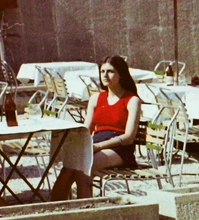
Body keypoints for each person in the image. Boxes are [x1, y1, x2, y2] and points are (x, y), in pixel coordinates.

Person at [53, 56, 141, 200]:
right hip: (95, 143)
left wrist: (98, 146)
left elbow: (129, 137)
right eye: (102, 71)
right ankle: (56, 208)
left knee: (85, 166)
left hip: (119, 148)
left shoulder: (132, 100)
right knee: (70, 166)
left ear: (121, 74)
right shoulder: (96, 98)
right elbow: (86, 129)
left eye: (111, 71)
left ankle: (85, 210)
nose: (105, 75)